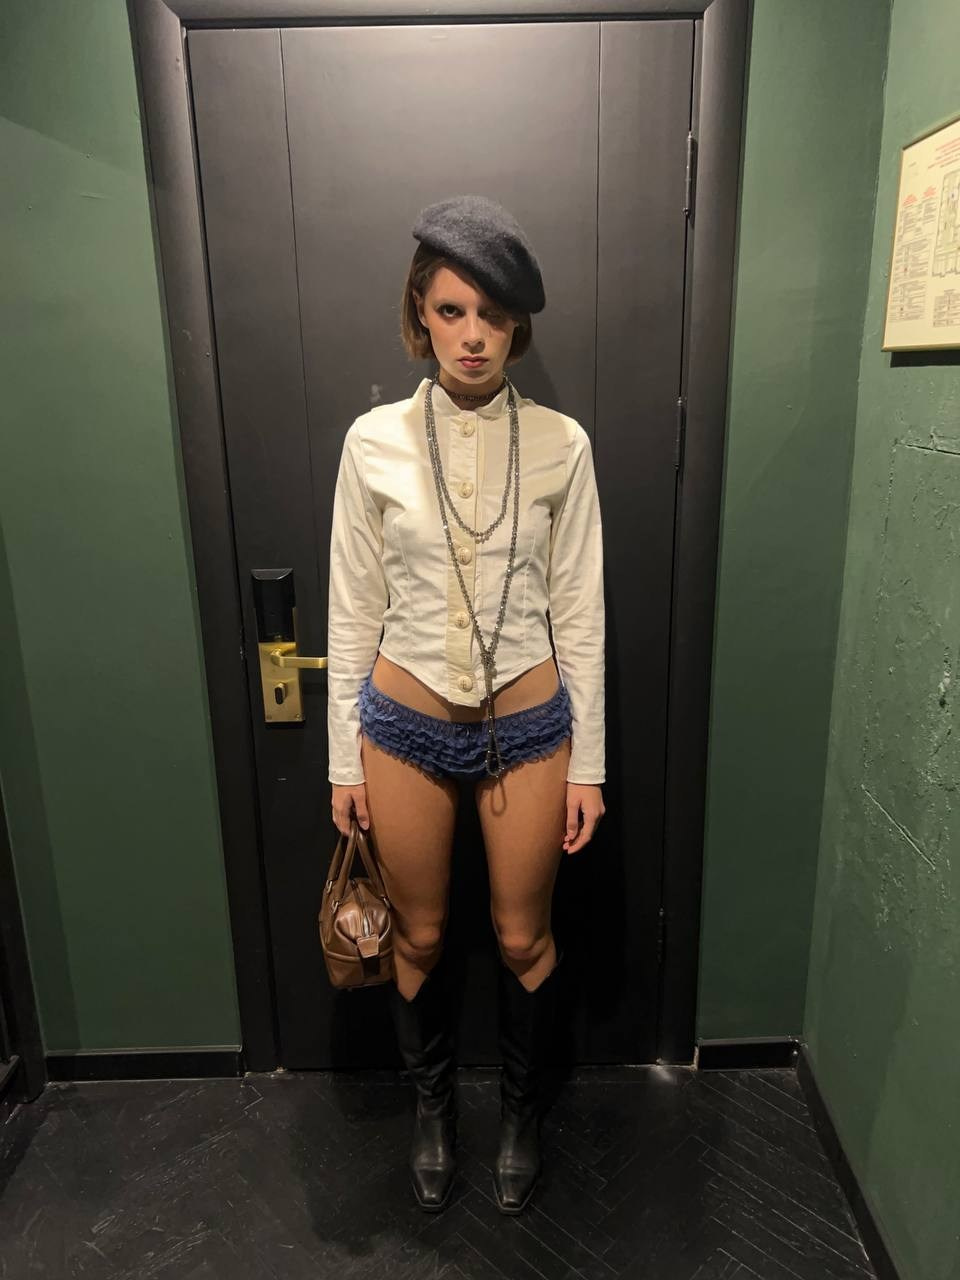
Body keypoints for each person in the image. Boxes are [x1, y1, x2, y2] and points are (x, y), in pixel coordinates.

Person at [326, 194, 606, 1215]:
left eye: (492, 315)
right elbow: (353, 607)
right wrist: (343, 760)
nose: (473, 335)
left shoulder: (563, 444)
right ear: (421, 311)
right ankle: (434, 1110)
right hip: (402, 722)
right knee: (419, 936)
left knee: (524, 937)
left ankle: (522, 1116)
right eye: (451, 311)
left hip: (529, 724)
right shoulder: (373, 441)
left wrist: (589, 763)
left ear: (518, 323)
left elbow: (580, 611)